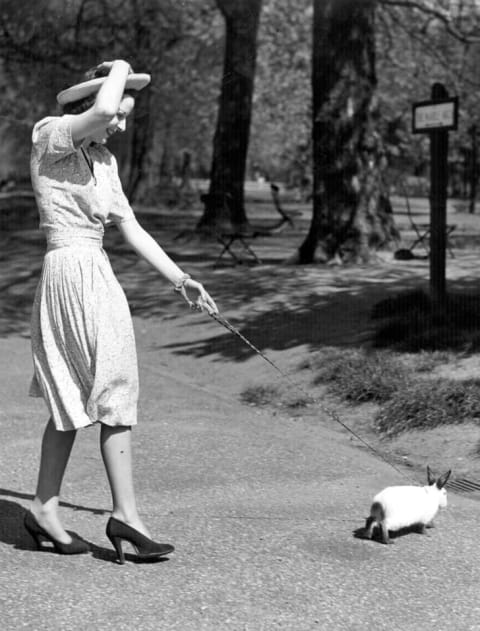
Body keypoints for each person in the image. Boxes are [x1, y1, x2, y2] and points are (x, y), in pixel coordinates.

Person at [25, 59, 218, 564]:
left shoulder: (104, 161)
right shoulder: (52, 135)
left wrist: (180, 280)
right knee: (88, 393)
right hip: (68, 270)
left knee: (110, 387)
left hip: (98, 271)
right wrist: (125, 67)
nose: (121, 124)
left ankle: (47, 509)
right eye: (119, 115)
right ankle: (125, 519)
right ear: (88, 104)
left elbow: (131, 227)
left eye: (128, 117)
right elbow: (106, 104)